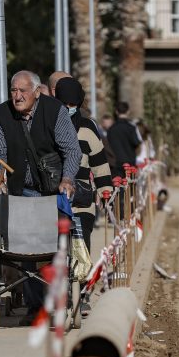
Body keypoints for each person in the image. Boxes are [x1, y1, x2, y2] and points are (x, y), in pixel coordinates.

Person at [0, 70, 82, 324]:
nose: (17, 96)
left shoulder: (54, 111)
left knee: (54, 247)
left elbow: (72, 150)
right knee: (26, 248)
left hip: (53, 190)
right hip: (22, 190)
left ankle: (57, 299)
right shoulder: (1, 114)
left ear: (37, 92)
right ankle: (35, 307)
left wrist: (67, 179)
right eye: (13, 91)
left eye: (23, 91)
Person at [54, 77, 113, 251]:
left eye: (72, 104)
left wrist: (105, 191)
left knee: (81, 250)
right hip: (54, 201)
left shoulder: (88, 127)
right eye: (64, 103)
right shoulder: (48, 124)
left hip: (82, 203)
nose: (68, 108)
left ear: (79, 103)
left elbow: (99, 162)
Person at [106, 102, 141, 178]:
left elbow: (107, 146)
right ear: (128, 111)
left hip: (115, 164)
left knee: (117, 184)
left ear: (116, 112)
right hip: (130, 164)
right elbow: (137, 144)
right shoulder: (132, 128)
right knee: (130, 184)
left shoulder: (111, 129)